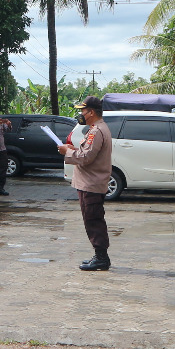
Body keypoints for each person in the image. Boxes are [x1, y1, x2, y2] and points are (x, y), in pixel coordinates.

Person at [58, 95, 114, 271]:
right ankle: (99, 256)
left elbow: (86, 157)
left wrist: (66, 152)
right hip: (89, 182)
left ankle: (101, 258)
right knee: (92, 219)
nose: (80, 114)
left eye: (83, 110)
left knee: (93, 219)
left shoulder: (97, 131)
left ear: (91, 112)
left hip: (92, 183)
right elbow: (86, 152)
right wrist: (74, 149)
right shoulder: (95, 129)